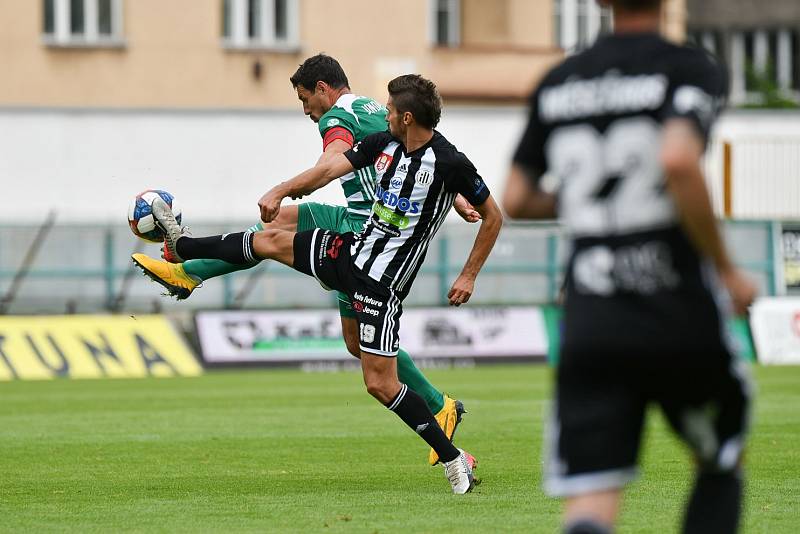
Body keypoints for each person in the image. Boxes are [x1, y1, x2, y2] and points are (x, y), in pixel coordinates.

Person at [147, 74, 502, 494]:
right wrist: (282, 190)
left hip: (380, 284)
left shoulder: (450, 163)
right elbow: (330, 168)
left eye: (389, 109)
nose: (383, 113)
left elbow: (493, 216)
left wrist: (468, 274)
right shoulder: (384, 143)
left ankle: (454, 457)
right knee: (271, 240)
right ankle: (182, 246)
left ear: (407, 117)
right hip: (348, 251)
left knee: (379, 384)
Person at [504, 0, 756, 532]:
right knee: (719, 460)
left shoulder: (559, 81)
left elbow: (518, 197)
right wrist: (728, 270)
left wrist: (581, 198)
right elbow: (679, 159)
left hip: (592, 316)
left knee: (592, 497)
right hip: (676, 311)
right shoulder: (689, 67)